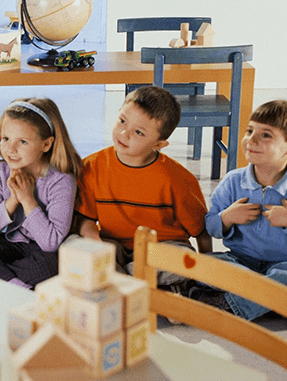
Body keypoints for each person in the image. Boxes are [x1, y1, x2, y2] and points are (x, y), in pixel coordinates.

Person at [191, 100, 287, 319]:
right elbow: (211, 225)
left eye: (266, 135)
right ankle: (269, 299)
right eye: (250, 131)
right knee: (202, 265)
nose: (251, 139)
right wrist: (226, 218)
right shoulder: (232, 181)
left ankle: (230, 305)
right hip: (239, 261)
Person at [73, 86, 212, 281]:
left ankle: (119, 280)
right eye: (122, 121)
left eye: (138, 132)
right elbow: (85, 220)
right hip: (113, 245)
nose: (124, 133)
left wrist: (207, 271)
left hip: (163, 248)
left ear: (158, 145)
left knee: (185, 262)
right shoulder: (91, 166)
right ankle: (128, 279)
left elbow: (201, 231)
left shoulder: (179, 179)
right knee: (72, 244)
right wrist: (98, 247)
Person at [0, 98, 83, 289]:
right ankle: (16, 286)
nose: (10, 149)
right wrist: (12, 201)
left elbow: (50, 242)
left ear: (46, 145)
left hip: (41, 253)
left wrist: (27, 199)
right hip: (8, 244)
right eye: (6, 139)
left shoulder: (61, 181)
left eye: (22, 141)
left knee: (55, 266)